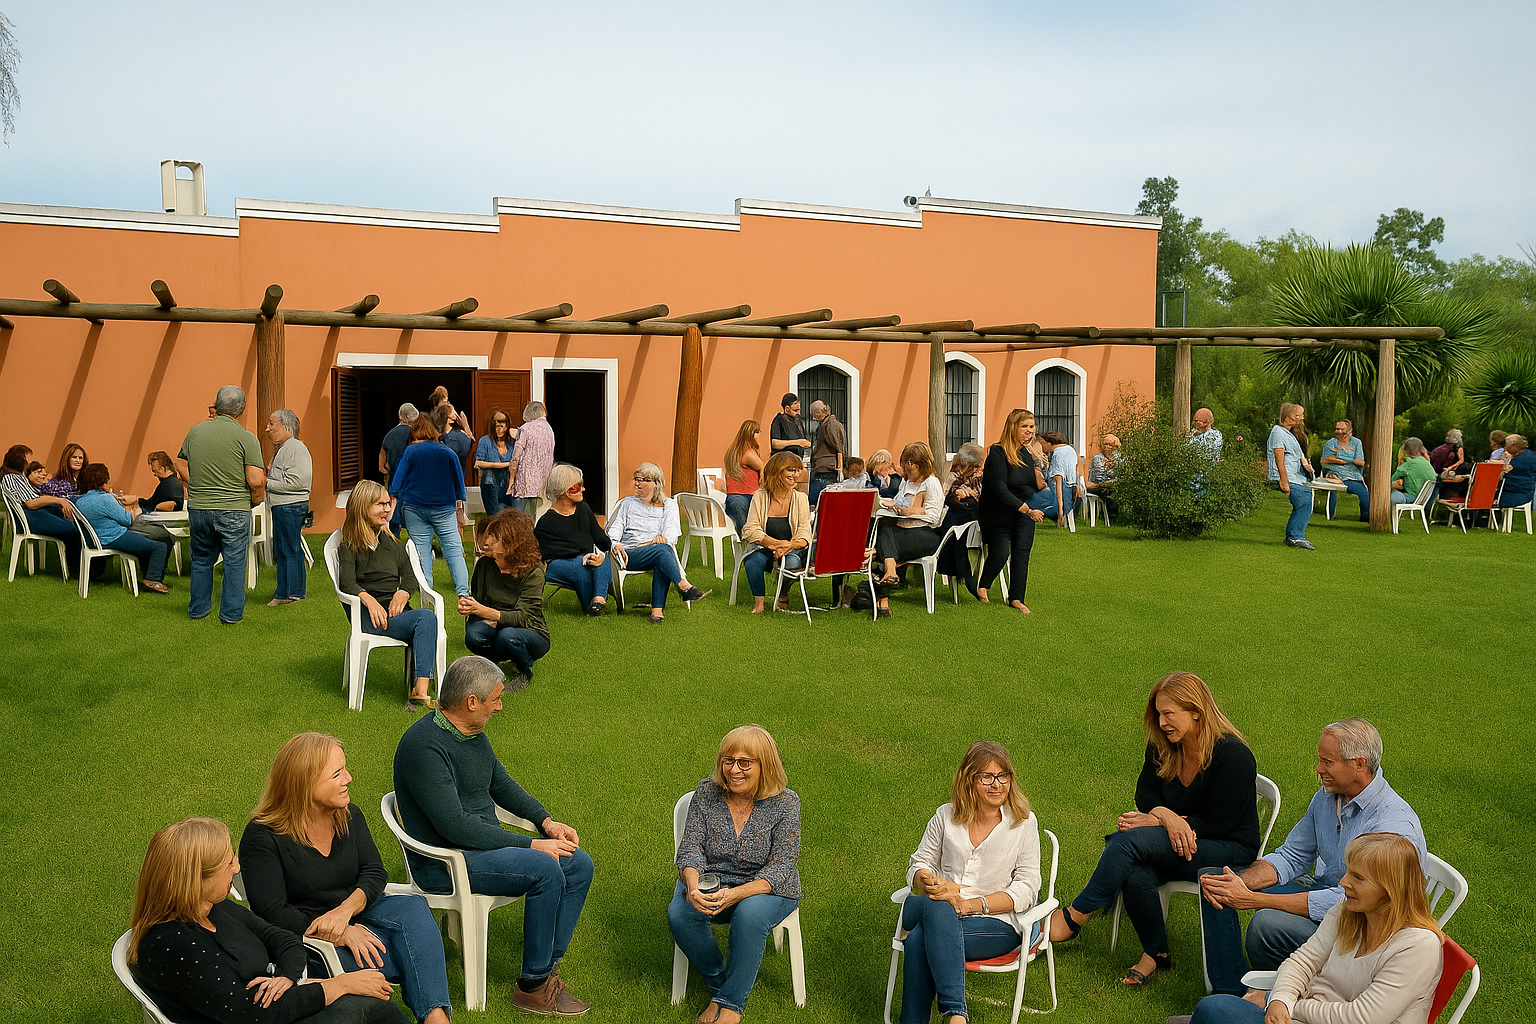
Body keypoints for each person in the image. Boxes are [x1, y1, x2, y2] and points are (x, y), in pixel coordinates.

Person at [393, 655, 595, 1016]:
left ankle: (547, 967)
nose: (500, 707)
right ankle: (533, 987)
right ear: (472, 701)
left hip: (480, 848)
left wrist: (546, 822)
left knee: (578, 864)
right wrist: (533, 844)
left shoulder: (473, 735)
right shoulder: (423, 747)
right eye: (496, 699)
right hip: (447, 862)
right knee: (546, 868)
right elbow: (454, 826)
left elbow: (502, 785)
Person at [1049, 672, 1260, 986]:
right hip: (1180, 839)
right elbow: (1145, 793)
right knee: (1135, 870)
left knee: (1127, 843)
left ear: (1196, 712)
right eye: (1159, 714)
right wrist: (1164, 816)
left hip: (1227, 847)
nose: (1162, 722)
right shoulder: (1165, 745)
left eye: (1169, 714)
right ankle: (1155, 953)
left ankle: (1074, 916)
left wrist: (1166, 823)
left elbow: (1221, 822)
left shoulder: (1233, 756)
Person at [1196, 719, 1426, 997]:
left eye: (1327, 762)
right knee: (1216, 881)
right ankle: (1233, 990)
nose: (1319, 770)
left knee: (1265, 924)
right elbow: (1294, 854)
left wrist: (1257, 900)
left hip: (1362, 928)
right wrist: (1242, 884)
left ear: (1359, 765)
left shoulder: (1392, 827)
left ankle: (1283, 993)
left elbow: (1349, 900)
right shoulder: (1328, 796)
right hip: (1329, 897)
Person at [239, 733, 452, 1024]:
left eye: (345, 769)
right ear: (304, 784)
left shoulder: (349, 815)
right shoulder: (263, 836)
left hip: (356, 915)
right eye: (337, 773)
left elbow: (374, 871)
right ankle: (405, 970)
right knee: (412, 953)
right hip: (307, 940)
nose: (349, 778)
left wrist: (345, 913)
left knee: (412, 907)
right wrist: (341, 932)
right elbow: (272, 912)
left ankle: (436, 1018)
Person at [128, 817, 405, 1024]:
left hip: (279, 1006)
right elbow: (248, 1013)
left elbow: (281, 937)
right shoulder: (173, 944)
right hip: (262, 1018)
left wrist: (287, 977)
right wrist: (339, 985)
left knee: (373, 1004)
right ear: (195, 881)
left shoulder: (216, 908)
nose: (237, 868)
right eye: (228, 864)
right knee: (361, 1008)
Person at [1185, 833, 1444, 1024]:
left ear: (1391, 891)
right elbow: (1303, 960)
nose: (1343, 882)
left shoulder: (1418, 946)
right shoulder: (1349, 911)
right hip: (1308, 1013)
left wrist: (1289, 1005)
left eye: (1358, 878)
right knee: (1215, 1010)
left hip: (1320, 1016)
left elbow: (1363, 1017)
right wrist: (1279, 1000)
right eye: (1348, 872)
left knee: (1215, 1011)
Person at [899, 741, 1041, 1024]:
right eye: (986, 777)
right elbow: (918, 865)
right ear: (969, 780)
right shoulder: (945, 816)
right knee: (939, 906)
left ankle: (943, 1017)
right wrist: (928, 881)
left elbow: (1027, 888)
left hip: (998, 923)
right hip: (940, 909)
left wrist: (968, 904)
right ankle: (956, 1016)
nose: (996, 784)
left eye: (1003, 776)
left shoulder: (1023, 823)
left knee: (917, 938)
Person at [669, 725, 801, 1024]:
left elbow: (782, 866)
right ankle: (720, 983)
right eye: (728, 760)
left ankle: (729, 1006)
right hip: (712, 877)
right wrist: (692, 887)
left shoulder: (786, 803)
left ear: (764, 766)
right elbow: (690, 848)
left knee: (750, 914)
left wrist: (736, 894)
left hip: (768, 886)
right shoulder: (707, 791)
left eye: (745, 763)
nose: (734, 770)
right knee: (681, 913)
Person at [337, 481, 437, 709]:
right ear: (363, 508)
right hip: (369, 617)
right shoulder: (350, 545)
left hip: (394, 612)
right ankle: (421, 690)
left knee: (424, 620)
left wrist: (403, 592)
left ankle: (418, 690)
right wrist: (368, 599)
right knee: (426, 618)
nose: (386, 509)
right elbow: (347, 583)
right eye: (379, 504)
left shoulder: (389, 541)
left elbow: (410, 574)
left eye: (387, 503)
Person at [179, 385, 266, 624]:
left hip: (199, 507)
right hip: (235, 508)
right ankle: (230, 615)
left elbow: (180, 464)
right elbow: (256, 480)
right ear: (241, 409)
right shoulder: (246, 438)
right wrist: (256, 499)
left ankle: (198, 610)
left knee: (201, 560)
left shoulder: (195, 432)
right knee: (234, 562)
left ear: (216, 405)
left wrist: (193, 484)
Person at [607, 462, 710, 623]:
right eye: (636, 479)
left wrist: (663, 538)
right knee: (662, 551)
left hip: (656, 552)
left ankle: (657, 613)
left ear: (656, 483)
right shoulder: (627, 503)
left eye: (644, 480)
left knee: (663, 552)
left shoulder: (668, 505)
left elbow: (672, 530)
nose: (637, 483)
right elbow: (614, 529)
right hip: (629, 553)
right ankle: (683, 586)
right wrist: (615, 543)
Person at [459, 510, 549, 689]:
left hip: (529, 630)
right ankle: (493, 667)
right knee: (473, 636)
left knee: (507, 636)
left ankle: (524, 670)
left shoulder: (533, 572)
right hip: (495, 623)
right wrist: (469, 609)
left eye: (496, 537)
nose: (489, 543)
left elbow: (524, 617)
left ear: (513, 546)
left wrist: (484, 612)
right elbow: (478, 602)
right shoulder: (485, 565)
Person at [389, 415, 470, 599]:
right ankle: (463, 593)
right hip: (444, 508)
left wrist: (392, 503)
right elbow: (459, 484)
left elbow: (397, 482)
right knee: (453, 550)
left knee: (421, 552)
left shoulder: (411, 451)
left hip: (414, 507)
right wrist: (460, 510)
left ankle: (426, 592)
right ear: (434, 432)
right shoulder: (448, 452)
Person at [977, 409, 1047, 614]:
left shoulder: (1027, 453)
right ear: (1012, 428)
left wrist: (1040, 467)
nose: (1029, 431)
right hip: (998, 512)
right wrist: (1025, 509)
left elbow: (1033, 486)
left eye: (1032, 427)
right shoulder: (997, 453)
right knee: (1001, 552)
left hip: (1024, 511)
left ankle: (1017, 598)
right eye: (1024, 426)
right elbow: (999, 488)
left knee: (1022, 554)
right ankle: (983, 586)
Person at [870, 441, 944, 619]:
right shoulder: (906, 483)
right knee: (882, 525)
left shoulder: (931, 483)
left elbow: (933, 517)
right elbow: (898, 502)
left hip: (925, 534)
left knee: (881, 538)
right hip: (902, 530)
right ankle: (888, 580)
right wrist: (890, 505)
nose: (905, 472)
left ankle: (877, 560)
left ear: (915, 464)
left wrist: (909, 513)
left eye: (908, 468)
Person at [75, 462, 172, 594]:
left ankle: (147, 577)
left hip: (93, 540)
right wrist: (135, 511)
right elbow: (127, 520)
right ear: (103, 482)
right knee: (159, 546)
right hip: (113, 537)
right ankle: (153, 580)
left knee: (146, 542)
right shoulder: (105, 499)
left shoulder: (81, 501)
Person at [533, 462, 612, 615]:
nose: (583, 489)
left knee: (602, 560)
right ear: (564, 491)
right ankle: (590, 607)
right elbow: (543, 554)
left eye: (582, 485)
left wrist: (605, 552)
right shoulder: (545, 522)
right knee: (580, 567)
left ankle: (598, 599)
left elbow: (600, 538)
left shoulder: (584, 509)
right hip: (557, 565)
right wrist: (583, 557)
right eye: (577, 486)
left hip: (584, 559)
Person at [740, 451, 812, 614]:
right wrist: (776, 544)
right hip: (764, 546)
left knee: (792, 563)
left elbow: (804, 532)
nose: (796, 474)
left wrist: (789, 546)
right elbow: (751, 529)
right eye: (791, 470)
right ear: (776, 472)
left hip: (791, 548)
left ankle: (783, 591)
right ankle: (759, 603)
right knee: (752, 562)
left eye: (798, 470)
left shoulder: (801, 498)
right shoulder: (760, 496)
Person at [1, 444, 82, 572]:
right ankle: (79, 570)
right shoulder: (12, 478)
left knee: (76, 524)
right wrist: (59, 500)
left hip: (37, 513)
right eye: (26, 460)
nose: (27, 463)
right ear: (20, 461)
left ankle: (79, 568)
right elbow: (30, 503)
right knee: (73, 530)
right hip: (31, 517)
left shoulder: (18, 477)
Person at [265, 409, 313, 606]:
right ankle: (290, 591)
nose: (267, 429)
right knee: (286, 549)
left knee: (288, 549)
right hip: (284, 506)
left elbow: (299, 482)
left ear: (286, 427)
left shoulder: (296, 448)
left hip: (290, 506)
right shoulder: (285, 448)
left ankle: (290, 593)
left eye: (272, 425)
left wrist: (266, 483)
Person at [934, 443, 984, 600]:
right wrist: (964, 496)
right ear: (967, 464)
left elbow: (981, 497)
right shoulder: (953, 476)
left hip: (973, 523)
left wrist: (968, 495)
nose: (978, 469)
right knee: (955, 527)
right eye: (976, 465)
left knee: (956, 526)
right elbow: (946, 497)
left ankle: (963, 572)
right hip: (957, 520)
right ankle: (965, 574)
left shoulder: (980, 477)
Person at [1268, 403, 1315, 550]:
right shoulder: (1278, 432)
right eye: (1300, 414)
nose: (1302, 418)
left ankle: (1294, 535)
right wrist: (1284, 480)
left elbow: (1299, 454)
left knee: (1305, 501)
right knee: (1303, 502)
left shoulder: (1289, 434)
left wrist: (1306, 465)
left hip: (1298, 477)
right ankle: (1295, 536)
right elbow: (1278, 456)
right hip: (1290, 477)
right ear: (1291, 416)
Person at [508, 401, 556, 517]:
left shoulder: (525, 429)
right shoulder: (549, 430)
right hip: (544, 482)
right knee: (538, 515)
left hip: (525, 483)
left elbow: (516, 457)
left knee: (523, 518)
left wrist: (511, 480)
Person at [1318, 420, 1369, 523]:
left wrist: (1341, 457)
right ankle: (1330, 517)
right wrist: (1339, 461)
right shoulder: (1331, 443)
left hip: (1352, 475)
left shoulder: (1356, 443)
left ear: (1349, 430)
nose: (1339, 431)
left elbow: (1361, 462)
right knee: (1331, 488)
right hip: (1334, 471)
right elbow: (1324, 460)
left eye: (1342, 429)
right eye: (1337, 429)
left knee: (1364, 495)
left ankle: (1365, 519)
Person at [380, 403, 418, 537]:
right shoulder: (415, 434)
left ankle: (393, 547)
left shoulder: (389, 436)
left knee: (393, 521)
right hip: (412, 485)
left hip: (394, 485)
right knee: (415, 524)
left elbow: (382, 465)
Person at [722, 419, 765, 535]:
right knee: (751, 531)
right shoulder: (748, 453)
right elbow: (763, 468)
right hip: (746, 498)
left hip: (733, 498)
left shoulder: (734, 450)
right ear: (752, 434)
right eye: (757, 432)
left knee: (745, 531)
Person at [474, 408, 519, 517]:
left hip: (510, 484)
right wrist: (505, 465)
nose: (500, 430)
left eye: (503, 426)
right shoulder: (486, 441)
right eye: (497, 426)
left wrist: (515, 433)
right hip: (491, 484)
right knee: (496, 517)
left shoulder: (513, 442)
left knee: (513, 517)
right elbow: (478, 463)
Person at [1036, 431, 1080, 527]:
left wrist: (1060, 511)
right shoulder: (1071, 450)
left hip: (1061, 492)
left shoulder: (1057, 455)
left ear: (1049, 443)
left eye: (1042, 444)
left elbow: (1058, 481)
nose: (1042, 447)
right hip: (1071, 487)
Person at [807, 400, 846, 505]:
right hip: (824, 468)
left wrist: (840, 468)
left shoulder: (830, 425)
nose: (814, 418)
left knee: (817, 502)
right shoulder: (827, 424)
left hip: (825, 470)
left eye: (815, 415)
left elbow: (838, 448)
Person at [1389, 439, 1436, 505]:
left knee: (1393, 491)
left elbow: (1391, 480)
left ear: (1406, 451)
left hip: (1412, 497)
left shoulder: (1408, 464)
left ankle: (1390, 512)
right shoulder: (1427, 463)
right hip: (1425, 499)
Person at [1496, 434, 1535, 512]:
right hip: (1524, 491)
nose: (1505, 448)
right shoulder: (1528, 455)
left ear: (1514, 445)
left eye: (1506, 445)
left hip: (1518, 493)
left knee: (1485, 497)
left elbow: (1509, 475)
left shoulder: (1522, 459)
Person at [768, 393, 811, 463]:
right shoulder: (778, 420)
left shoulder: (797, 421)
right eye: (795, 410)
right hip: (782, 462)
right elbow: (775, 443)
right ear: (787, 409)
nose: (798, 413)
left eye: (799, 410)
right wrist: (797, 442)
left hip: (796, 461)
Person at [1428, 429, 1467, 501]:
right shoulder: (1451, 453)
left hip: (1432, 475)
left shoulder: (1438, 449)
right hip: (1442, 477)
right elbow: (1459, 461)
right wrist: (1450, 468)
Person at [1087, 433, 1120, 518]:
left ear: (1115, 447)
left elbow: (1121, 474)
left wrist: (1112, 466)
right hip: (1097, 486)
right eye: (1105, 444)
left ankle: (1112, 515)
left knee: (1115, 489)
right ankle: (1107, 515)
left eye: (1110, 445)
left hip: (1110, 485)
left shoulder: (1119, 458)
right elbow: (1099, 475)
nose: (1107, 447)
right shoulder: (1097, 458)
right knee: (1108, 490)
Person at [433, 402, 474, 468]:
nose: (455, 412)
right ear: (448, 414)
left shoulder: (459, 436)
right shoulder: (458, 436)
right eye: (453, 410)